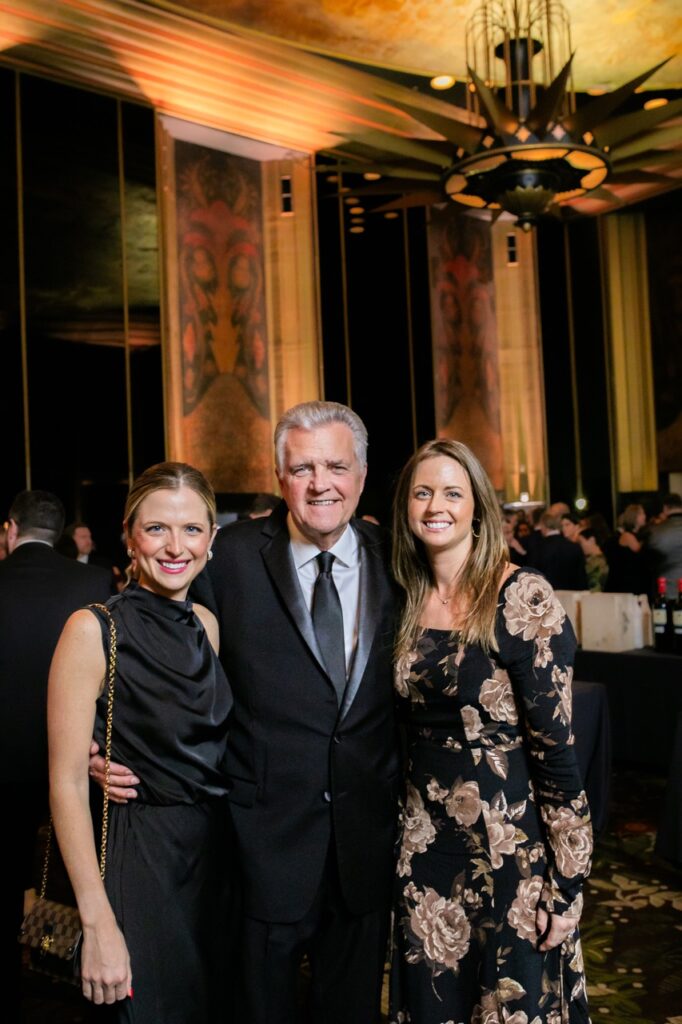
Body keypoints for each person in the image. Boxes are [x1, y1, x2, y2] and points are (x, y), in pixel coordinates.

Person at [91, 402, 400, 1024]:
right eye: (303, 467)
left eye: (337, 466)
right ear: (280, 476)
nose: (321, 483)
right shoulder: (225, 557)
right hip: (258, 850)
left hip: (366, 847)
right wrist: (102, 747)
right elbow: (160, 653)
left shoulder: (401, 560)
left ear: (362, 476)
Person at [389, 439, 592, 1024]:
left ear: (479, 506)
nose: (436, 506)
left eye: (453, 492)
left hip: (509, 847)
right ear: (406, 504)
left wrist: (568, 885)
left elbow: (557, 752)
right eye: (423, 492)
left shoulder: (521, 596)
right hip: (423, 846)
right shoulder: (402, 596)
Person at [48, 462, 234, 1020]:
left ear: (212, 538)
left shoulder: (206, 623)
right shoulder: (92, 629)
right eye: (156, 529)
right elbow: (64, 783)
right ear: (130, 535)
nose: (175, 546)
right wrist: (97, 919)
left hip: (210, 866)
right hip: (138, 862)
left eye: (191, 529)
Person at [0, 490, 111, 1020]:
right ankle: (53, 971)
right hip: (68, 760)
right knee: (57, 875)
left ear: (9, 529)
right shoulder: (91, 583)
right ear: (61, 530)